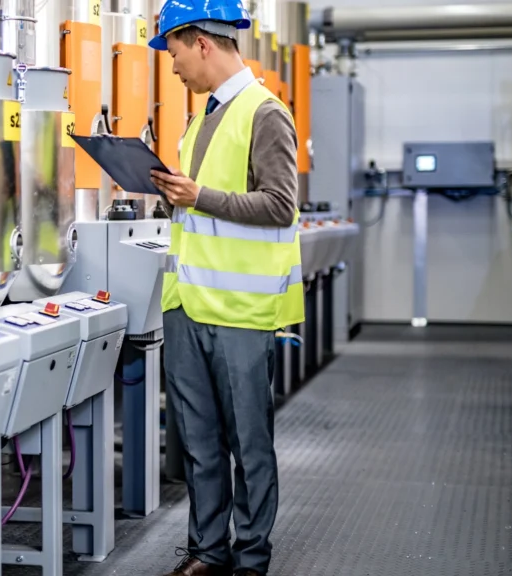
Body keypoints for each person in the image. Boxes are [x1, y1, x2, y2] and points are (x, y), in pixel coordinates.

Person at [146, 0, 304, 574]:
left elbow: (282, 206)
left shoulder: (265, 112)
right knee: (199, 444)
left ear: (203, 43)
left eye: (174, 51)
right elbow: (200, 209)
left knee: (248, 445)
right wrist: (175, 193)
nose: (173, 66)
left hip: (241, 310)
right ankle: (207, 553)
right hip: (188, 305)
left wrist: (197, 196)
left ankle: (251, 558)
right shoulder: (199, 118)